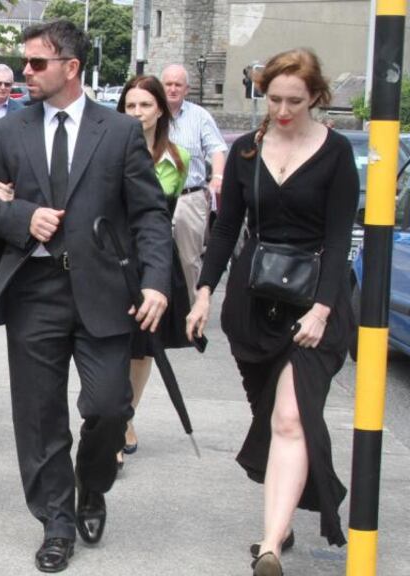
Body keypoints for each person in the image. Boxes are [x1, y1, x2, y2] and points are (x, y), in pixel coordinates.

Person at [0, 20, 172, 573]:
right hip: (34, 290)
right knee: (39, 417)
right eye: (25, 62)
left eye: (37, 63)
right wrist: (20, 215)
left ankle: (93, 486)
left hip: (105, 291)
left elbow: (150, 213)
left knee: (109, 406)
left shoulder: (119, 131)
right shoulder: (9, 131)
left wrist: (156, 280)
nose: (26, 72)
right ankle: (56, 522)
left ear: (71, 68)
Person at [185, 49, 357, 576]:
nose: (282, 110)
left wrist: (325, 310)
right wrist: (204, 291)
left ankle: (269, 546)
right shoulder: (244, 155)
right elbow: (224, 228)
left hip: (315, 302)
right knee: (274, 414)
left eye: (294, 101)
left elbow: (338, 238)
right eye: (274, 98)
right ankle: (281, 518)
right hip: (255, 304)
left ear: (317, 98)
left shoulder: (337, 154)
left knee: (289, 417)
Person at [115, 75, 194, 469]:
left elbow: (164, 215)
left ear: (160, 109)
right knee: (114, 343)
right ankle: (113, 421)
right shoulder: (109, 150)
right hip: (115, 256)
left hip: (154, 257)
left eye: (145, 105)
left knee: (144, 348)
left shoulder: (176, 158)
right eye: (130, 106)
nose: (137, 113)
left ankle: (127, 414)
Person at [160, 64, 228, 305]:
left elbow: (217, 149)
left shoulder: (199, 116)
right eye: (168, 84)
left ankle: (192, 310)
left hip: (189, 197)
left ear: (187, 89)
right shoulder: (151, 113)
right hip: (154, 198)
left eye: (178, 85)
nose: (172, 89)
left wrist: (217, 178)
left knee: (189, 259)